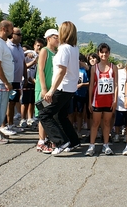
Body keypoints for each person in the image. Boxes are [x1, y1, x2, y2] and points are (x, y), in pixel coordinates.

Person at [38, 21, 81, 156]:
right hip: (70, 89)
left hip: (61, 89)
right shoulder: (74, 48)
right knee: (60, 115)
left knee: (44, 113)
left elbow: (61, 71)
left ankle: (60, 141)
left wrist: (51, 90)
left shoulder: (63, 48)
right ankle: (73, 141)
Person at [86, 43, 118, 156]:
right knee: (95, 123)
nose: (104, 54)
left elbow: (116, 84)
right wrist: (90, 101)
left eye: (106, 52)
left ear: (109, 53)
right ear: (99, 53)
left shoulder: (113, 67)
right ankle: (91, 146)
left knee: (107, 123)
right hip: (97, 100)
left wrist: (115, 100)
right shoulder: (94, 68)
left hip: (109, 100)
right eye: (102, 52)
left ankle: (106, 145)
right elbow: (91, 85)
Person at [34, 29, 59, 154]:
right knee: (43, 114)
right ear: (49, 38)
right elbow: (40, 70)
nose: (58, 39)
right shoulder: (44, 51)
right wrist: (43, 88)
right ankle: (41, 142)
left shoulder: (55, 52)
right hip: (43, 89)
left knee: (49, 114)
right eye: (56, 37)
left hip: (52, 89)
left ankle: (48, 139)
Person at [0, 27, 28, 136]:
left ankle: (11, 125)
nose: (21, 36)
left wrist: (25, 76)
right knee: (7, 103)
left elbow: (23, 63)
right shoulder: (6, 46)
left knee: (13, 102)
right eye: (19, 34)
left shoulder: (20, 48)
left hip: (17, 80)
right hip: (9, 80)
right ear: (12, 35)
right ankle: (3, 125)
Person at [19, 38, 45, 128]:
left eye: (41, 46)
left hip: (36, 82)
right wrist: (34, 61)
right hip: (27, 80)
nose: (39, 48)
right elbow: (24, 66)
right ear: (34, 45)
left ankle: (30, 118)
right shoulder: (29, 54)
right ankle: (23, 119)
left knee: (32, 101)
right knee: (25, 101)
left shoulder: (42, 55)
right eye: (38, 45)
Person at [113, 62, 127, 143]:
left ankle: (126, 135)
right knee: (118, 120)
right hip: (119, 100)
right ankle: (117, 135)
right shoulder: (119, 72)